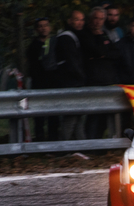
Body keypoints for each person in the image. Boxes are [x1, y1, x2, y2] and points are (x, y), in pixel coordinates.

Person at [82, 6, 121, 139]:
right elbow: (99, 51)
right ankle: (91, 143)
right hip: (93, 81)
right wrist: (102, 50)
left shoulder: (103, 34)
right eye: (96, 18)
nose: (98, 22)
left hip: (107, 81)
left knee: (104, 117)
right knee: (93, 116)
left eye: (101, 19)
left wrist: (103, 54)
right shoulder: (85, 34)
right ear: (90, 19)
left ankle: (100, 145)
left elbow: (116, 53)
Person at [55, 10, 86, 140]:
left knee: (77, 117)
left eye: (82, 19)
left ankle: (80, 146)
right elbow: (73, 62)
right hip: (71, 83)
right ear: (70, 21)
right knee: (71, 117)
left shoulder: (71, 36)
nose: (79, 23)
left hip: (72, 82)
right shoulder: (67, 38)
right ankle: (63, 148)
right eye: (76, 19)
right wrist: (83, 78)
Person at [27, 17, 59, 141]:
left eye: (45, 25)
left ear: (49, 27)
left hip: (53, 84)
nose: (43, 28)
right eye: (40, 26)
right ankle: (40, 141)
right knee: (39, 117)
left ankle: (53, 141)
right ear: (36, 29)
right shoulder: (33, 47)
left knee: (53, 116)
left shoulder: (55, 43)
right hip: (39, 85)